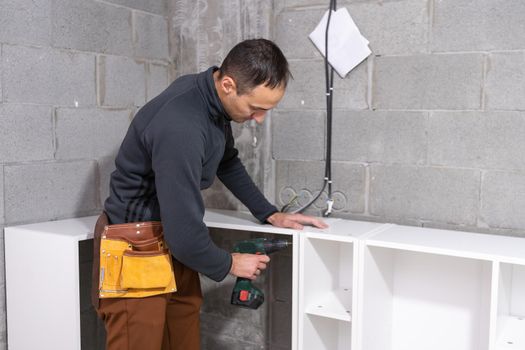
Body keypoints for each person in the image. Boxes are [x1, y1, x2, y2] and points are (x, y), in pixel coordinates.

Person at [92, 38, 327, 350]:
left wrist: (268, 212)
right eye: (256, 108)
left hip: (171, 239)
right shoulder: (182, 125)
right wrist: (230, 263)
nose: (259, 119)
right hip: (136, 243)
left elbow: (226, 160)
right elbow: (185, 234)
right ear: (228, 84)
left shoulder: (210, 101)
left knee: (183, 339)